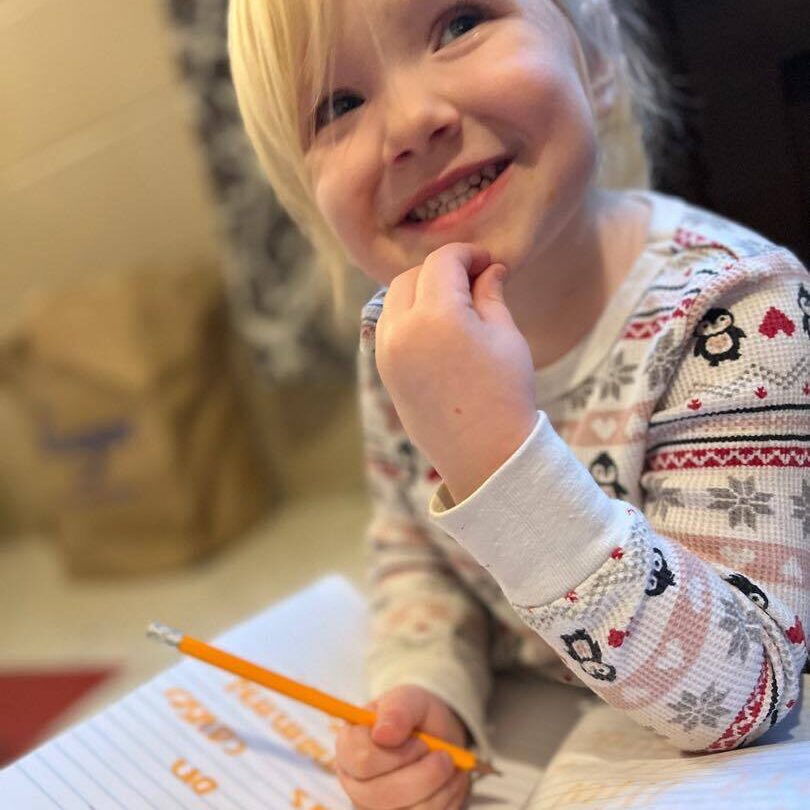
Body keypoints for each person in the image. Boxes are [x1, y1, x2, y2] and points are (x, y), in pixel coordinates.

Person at [227, 0, 810, 806]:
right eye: (339, 105)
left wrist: (496, 453)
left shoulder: (734, 307)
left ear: (596, 59)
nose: (410, 122)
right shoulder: (402, 341)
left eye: (460, 24)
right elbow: (417, 562)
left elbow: (748, 689)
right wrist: (427, 689)